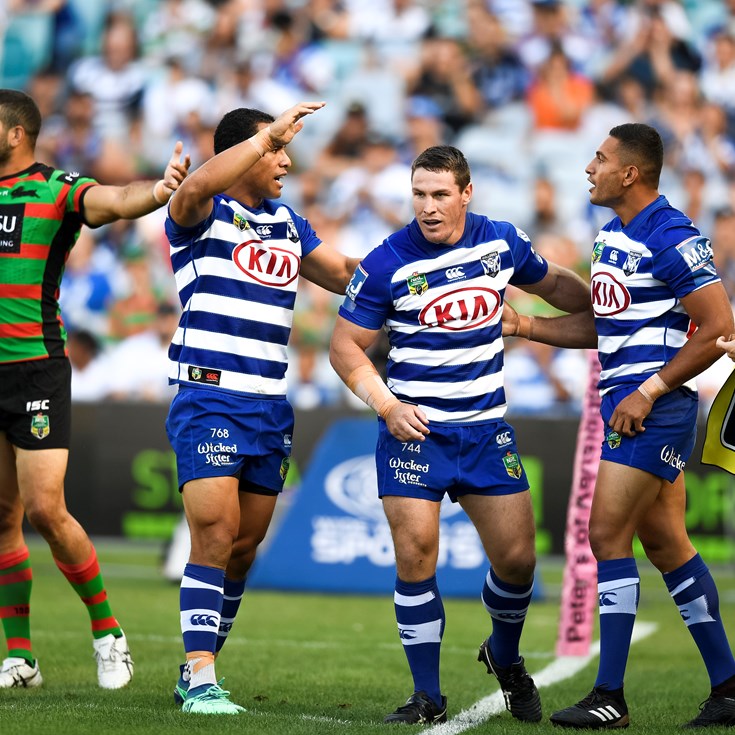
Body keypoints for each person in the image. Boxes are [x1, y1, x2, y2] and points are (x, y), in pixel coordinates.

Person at [328, 145, 592, 725]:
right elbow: (344, 346)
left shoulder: (500, 240)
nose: (427, 206)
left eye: (440, 194)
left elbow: (563, 289)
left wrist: (608, 302)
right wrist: (386, 403)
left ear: (466, 193)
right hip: (413, 434)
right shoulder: (385, 261)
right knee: (417, 555)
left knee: (518, 562)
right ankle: (427, 694)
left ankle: (504, 654)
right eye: (418, 194)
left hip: (483, 432)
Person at [504, 123, 735, 729]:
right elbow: (604, 326)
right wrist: (527, 327)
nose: (589, 167)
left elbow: (717, 327)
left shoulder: (672, 234)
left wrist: (648, 390)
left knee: (605, 535)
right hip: (631, 407)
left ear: (631, 173)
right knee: (666, 546)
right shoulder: (612, 236)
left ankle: (609, 694)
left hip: (655, 412)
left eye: (601, 159)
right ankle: (730, 686)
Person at [164, 100, 361, 715]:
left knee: (244, 548)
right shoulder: (201, 211)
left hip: (269, 406)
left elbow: (347, 273)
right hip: (209, 397)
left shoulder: (287, 223)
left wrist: (427, 271)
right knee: (215, 532)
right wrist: (265, 133)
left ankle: (197, 662)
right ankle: (201, 675)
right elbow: (195, 184)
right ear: (241, 153)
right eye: (276, 148)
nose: (287, 159)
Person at [0, 89, 190, 690]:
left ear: (14, 134)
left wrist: (159, 192)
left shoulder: (55, 189)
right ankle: (20, 657)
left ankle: (109, 634)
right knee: (2, 518)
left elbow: (112, 200)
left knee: (46, 510)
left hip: (36, 369)